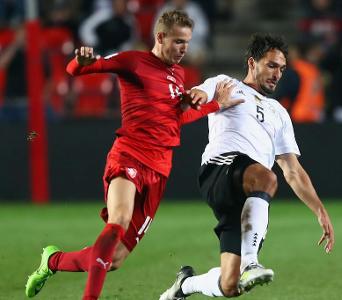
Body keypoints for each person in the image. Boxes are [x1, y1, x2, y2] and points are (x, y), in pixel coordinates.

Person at [24, 10, 241, 300]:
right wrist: (81, 62)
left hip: (160, 170)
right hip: (130, 155)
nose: (183, 48)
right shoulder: (134, 61)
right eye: (178, 41)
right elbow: (77, 70)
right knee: (119, 221)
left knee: (113, 259)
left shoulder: (177, 75)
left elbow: (175, 120)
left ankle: (52, 260)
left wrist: (216, 105)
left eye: (186, 42)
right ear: (160, 37)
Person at [159, 33, 335, 300]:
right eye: (271, 65)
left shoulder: (279, 113)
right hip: (220, 171)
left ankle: (184, 286)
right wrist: (194, 95)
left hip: (247, 194)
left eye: (282, 68)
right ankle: (251, 263)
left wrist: (320, 211)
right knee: (267, 177)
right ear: (252, 63)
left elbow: (293, 170)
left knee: (230, 286)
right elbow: (201, 93)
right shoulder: (226, 84)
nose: (277, 74)